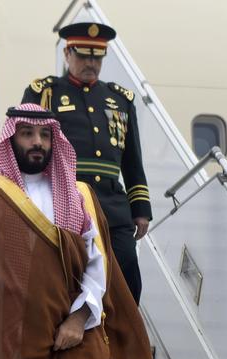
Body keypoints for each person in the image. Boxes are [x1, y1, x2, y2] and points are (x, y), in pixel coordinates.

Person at [0, 104, 152, 359]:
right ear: (11, 138)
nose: (37, 142)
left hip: (73, 331)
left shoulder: (79, 196)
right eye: (27, 133)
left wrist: (78, 319)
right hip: (13, 336)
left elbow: (98, 264)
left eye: (44, 135)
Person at [22, 22, 151, 304]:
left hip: (113, 205)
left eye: (97, 57)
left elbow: (132, 160)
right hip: (67, 198)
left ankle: (124, 337)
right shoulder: (46, 93)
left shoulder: (120, 99)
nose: (91, 62)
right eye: (83, 55)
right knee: (71, 275)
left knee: (127, 268)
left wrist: (141, 209)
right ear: (68, 54)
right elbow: (26, 147)